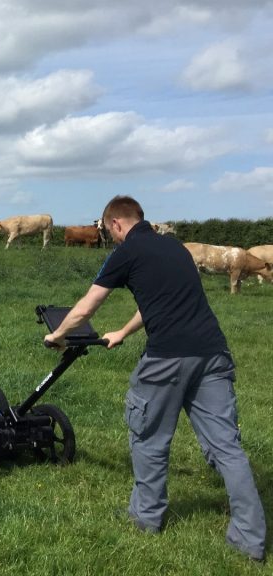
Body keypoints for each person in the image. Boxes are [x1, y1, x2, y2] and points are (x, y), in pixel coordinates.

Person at [44, 195, 265, 562]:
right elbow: (160, 302)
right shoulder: (175, 249)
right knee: (227, 448)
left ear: (115, 223)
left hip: (167, 359)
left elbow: (88, 304)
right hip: (213, 354)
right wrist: (124, 332)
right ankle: (250, 540)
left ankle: (145, 518)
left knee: (148, 438)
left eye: (110, 231)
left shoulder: (125, 253)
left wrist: (58, 335)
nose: (112, 238)